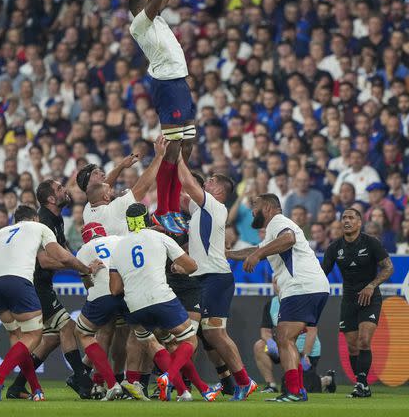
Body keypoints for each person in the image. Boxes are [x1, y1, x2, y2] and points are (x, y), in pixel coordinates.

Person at [0, 205, 101, 402]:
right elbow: (61, 256)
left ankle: (35, 389)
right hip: (18, 282)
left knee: (18, 337)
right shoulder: (40, 228)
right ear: (35, 218)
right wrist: (86, 269)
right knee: (34, 335)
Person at [109, 203, 219, 403]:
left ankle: (187, 391)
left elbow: (115, 289)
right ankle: (168, 377)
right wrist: (178, 268)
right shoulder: (160, 237)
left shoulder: (118, 247)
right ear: (148, 219)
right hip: (160, 297)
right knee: (189, 340)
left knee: (157, 344)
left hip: (134, 304)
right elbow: (192, 266)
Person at [231, 193, 330, 403]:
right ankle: (298, 390)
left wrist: (257, 256)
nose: (251, 211)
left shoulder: (279, 222)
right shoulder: (273, 230)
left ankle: (294, 391)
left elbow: (288, 239)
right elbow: (258, 249)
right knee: (288, 338)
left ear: (267, 208)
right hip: (310, 287)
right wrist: (228, 254)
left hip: (301, 287)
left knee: (284, 338)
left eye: (254, 206)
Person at [128, 0, 197, 235]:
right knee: (172, 150)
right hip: (167, 86)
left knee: (188, 144)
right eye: (149, 3)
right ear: (141, 9)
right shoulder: (140, 24)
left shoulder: (155, 19)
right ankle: (164, 210)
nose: (156, 3)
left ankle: (173, 206)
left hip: (179, 82)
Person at [176, 157, 257, 400]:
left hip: (215, 277)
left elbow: (189, 185)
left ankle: (243, 381)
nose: (205, 183)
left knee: (214, 333)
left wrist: (178, 155)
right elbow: (182, 194)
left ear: (219, 190)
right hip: (204, 277)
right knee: (209, 333)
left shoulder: (213, 205)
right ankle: (239, 382)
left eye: (210, 181)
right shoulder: (201, 209)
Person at [6, 179, 93, 400]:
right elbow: (44, 261)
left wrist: (79, 262)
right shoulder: (43, 221)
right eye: (60, 189)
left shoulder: (56, 219)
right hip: (35, 285)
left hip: (42, 284)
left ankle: (16, 387)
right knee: (68, 326)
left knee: (52, 338)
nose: (65, 190)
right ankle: (83, 382)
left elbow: (63, 249)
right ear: (51, 199)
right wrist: (78, 267)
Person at [321, 208, 394, 398]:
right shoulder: (334, 247)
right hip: (349, 299)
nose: (346, 220)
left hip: (370, 297)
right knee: (352, 346)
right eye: (343, 217)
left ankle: (361, 384)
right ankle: (362, 385)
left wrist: (372, 285)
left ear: (359, 223)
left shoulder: (371, 243)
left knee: (364, 340)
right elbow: (322, 274)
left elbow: (388, 268)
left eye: (351, 217)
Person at [73, 222, 129, 401]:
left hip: (103, 295)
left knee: (83, 332)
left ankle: (108, 384)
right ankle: (136, 381)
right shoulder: (119, 240)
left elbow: (88, 286)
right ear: (103, 233)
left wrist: (89, 274)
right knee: (142, 335)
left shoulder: (83, 250)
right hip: (128, 291)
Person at [254, 278, 337, 395]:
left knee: (298, 387)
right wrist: (270, 342)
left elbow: (312, 331)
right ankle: (271, 385)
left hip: (305, 351)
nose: (277, 285)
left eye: (280, 282)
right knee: (260, 346)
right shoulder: (271, 304)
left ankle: (326, 381)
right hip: (282, 348)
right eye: (274, 283)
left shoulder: (299, 301)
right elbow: (265, 331)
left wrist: (305, 354)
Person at [83, 136, 167, 237]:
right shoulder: (114, 209)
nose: (112, 188)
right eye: (110, 190)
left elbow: (103, 187)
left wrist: (121, 165)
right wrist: (158, 156)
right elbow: (142, 187)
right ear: (105, 197)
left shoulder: (88, 209)